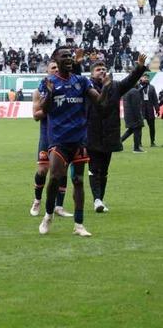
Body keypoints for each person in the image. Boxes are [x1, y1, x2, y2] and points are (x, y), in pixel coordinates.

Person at [37, 46, 104, 237]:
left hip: (79, 139)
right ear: (55, 60)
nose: (68, 58)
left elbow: (98, 101)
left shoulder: (81, 81)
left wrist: (106, 89)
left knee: (78, 180)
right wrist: (50, 94)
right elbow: (43, 110)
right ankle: (48, 215)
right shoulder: (48, 82)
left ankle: (79, 225)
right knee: (55, 178)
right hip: (58, 139)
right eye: (64, 56)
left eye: (70, 56)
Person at [86, 55, 146, 214]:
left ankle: (100, 200)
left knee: (104, 170)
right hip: (92, 133)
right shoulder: (87, 87)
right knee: (94, 168)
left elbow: (130, 81)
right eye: (98, 69)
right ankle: (97, 199)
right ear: (92, 73)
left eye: (104, 69)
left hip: (110, 134)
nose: (102, 71)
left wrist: (139, 67)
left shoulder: (116, 86)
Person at [121, 84, 144, 152]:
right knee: (137, 129)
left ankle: (118, 142)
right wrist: (139, 117)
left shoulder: (126, 91)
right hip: (134, 115)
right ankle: (136, 148)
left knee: (130, 130)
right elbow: (136, 105)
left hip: (128, 115)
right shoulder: (134, 91)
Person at [139, 74, 159, 146]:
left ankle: (152, 142)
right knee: (139, 127)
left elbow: (155, 99)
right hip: (141, 109)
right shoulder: (138, 87)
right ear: (141, 78)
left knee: (152, 126)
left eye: (147, 78)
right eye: (144, 77)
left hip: (150, 109)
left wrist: (157, 109)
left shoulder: (152, 87)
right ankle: (139, 143)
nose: (146, 79)